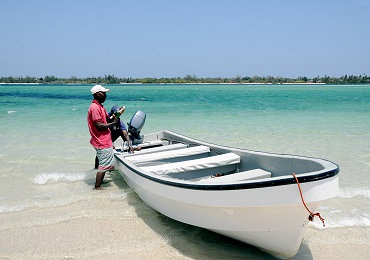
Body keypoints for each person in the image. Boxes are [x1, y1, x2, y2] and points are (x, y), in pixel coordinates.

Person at [87, 84, 118, 190]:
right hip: (101, 141)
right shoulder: (95, 107)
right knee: (104, 165)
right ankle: (97, 187)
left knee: (103, 163)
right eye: (103, 93)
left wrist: (113, 118)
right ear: (97, 94)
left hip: (103, 140)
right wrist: (113, 124)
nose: (105, 95)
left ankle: (99, 182)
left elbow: (105, 120)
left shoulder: (100, 106)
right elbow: (99, 126)